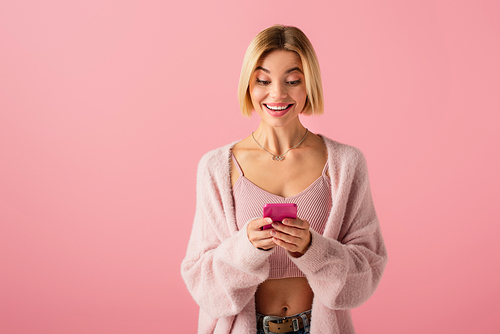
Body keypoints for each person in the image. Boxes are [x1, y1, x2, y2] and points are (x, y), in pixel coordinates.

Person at [181, 24, 387, 334]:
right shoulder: (216, 167)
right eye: (263, 80)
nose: (277, 94)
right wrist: (246, 248)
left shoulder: (346, 163)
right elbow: (202, 283)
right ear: (248, 85)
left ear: (309, 85)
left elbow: (367, 271)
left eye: (292, 80)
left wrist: (312, 249)